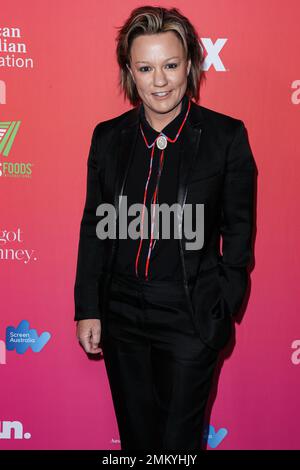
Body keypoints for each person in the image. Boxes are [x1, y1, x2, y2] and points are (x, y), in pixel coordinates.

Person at [74, 5, 256, 451]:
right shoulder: (107, 138)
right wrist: (88, 306)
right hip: (122, 318)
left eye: (171, 65)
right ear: (129, 72)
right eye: (146, 67)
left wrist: (222, 306)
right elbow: (95, 225)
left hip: (190, 314)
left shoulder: (224, 137)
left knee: (178, 447)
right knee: (139, 446)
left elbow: (239, 232)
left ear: (190, 65)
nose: (160, 81)